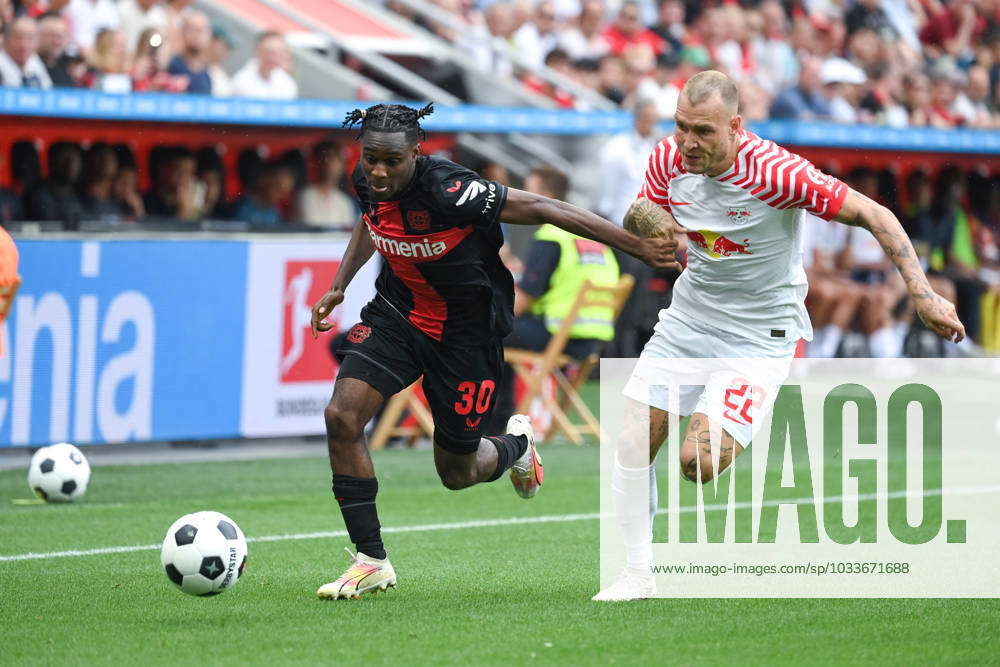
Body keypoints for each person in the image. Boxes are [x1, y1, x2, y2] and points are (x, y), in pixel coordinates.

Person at [594, 70, 965, 602]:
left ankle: (743, 409)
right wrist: (649, 232)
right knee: (633, 440)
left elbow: (874, 213)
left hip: (758, 335)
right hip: (690, 319)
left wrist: (922, 293)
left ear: (735, 126)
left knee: (695, 464)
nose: (688, 143)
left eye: (703, 131)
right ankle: (637, 574)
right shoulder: (666, 159)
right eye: (681, 128)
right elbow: (650, 217)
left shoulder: (776, 171)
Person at [308, 102, 677, 600]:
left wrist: (633, 245)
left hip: (467, 335)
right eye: (370, 158)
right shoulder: (369, 180)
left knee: (457, 472)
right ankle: (371, 560)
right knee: (341, 416)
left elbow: (549, 209)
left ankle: (516, 446)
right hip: (398, 315)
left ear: (416, 154)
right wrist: (339, 286)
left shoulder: (450, 189)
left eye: (391, 162)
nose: (377, 170)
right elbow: (370, 223)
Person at [492, 165, 620, 431]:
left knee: (485, 331)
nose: (520, 196)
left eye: (526, 190)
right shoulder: (591, 237)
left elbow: (522, 302)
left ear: (544, 195)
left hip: (557, 335)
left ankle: (493, 422)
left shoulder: (551, 236)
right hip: (592, 339)